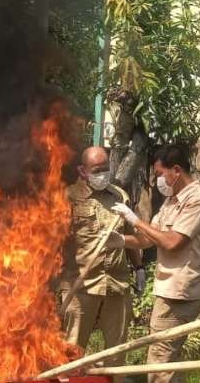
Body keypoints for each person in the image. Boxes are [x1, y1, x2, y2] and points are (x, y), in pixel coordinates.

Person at [111, 145, 200, 383]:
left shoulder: (199, 200)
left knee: (160, 363)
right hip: (168, 291)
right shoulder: (171, 201)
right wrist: (118, 241)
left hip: (180, 294)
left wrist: (135, 220)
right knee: (168, 360)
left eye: (160, 174)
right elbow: (148, 239)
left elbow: (171, 242)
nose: (158, 180)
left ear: (176, 170)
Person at [59, 146, 143, 369]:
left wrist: (140, 267)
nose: (103, 174)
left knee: (116, 354)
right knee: (72, 355)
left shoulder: (119, 197)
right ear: (82, 170)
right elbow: (52, 241)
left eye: (106, 168)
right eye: (97, 170)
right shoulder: (68, 198)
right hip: (81, 288)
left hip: (117, 284)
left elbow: (130, 237)